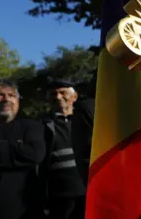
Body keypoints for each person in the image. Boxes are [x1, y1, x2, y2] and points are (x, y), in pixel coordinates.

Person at [0, 80, 46, 218]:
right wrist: (16, 148)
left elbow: (34, 154)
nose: (6, 99)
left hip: (23, 210)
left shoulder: (30, 126)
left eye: (11, 95)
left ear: (18, 100)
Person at [39, 79, 86, 219]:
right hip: (59, 197)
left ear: (74, 97)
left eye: (63, 92)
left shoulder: (87, 120)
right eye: (53, 94)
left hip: (89, 192)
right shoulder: (41, 125)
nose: (58, 97)